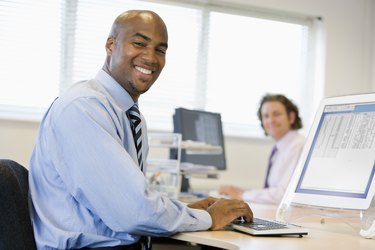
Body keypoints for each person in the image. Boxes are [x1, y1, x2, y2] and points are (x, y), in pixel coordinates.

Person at [28, 10, 253, 250]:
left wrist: (185, 211)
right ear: (111, 45)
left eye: (160, 50)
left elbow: (129, 198)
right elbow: (132, 211)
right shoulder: (84, 109)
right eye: (139, 43)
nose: (151, 57)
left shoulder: (126, 113)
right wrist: (209, 218)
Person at [218, 94, 305, 204]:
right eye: (266, 116)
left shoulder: (298, 146)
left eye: (276, 114)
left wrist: (242, 195)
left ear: (291, 117)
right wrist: (243, 193)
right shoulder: (278, 148)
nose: (271, 120)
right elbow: (274, 190)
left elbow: (283, 194)